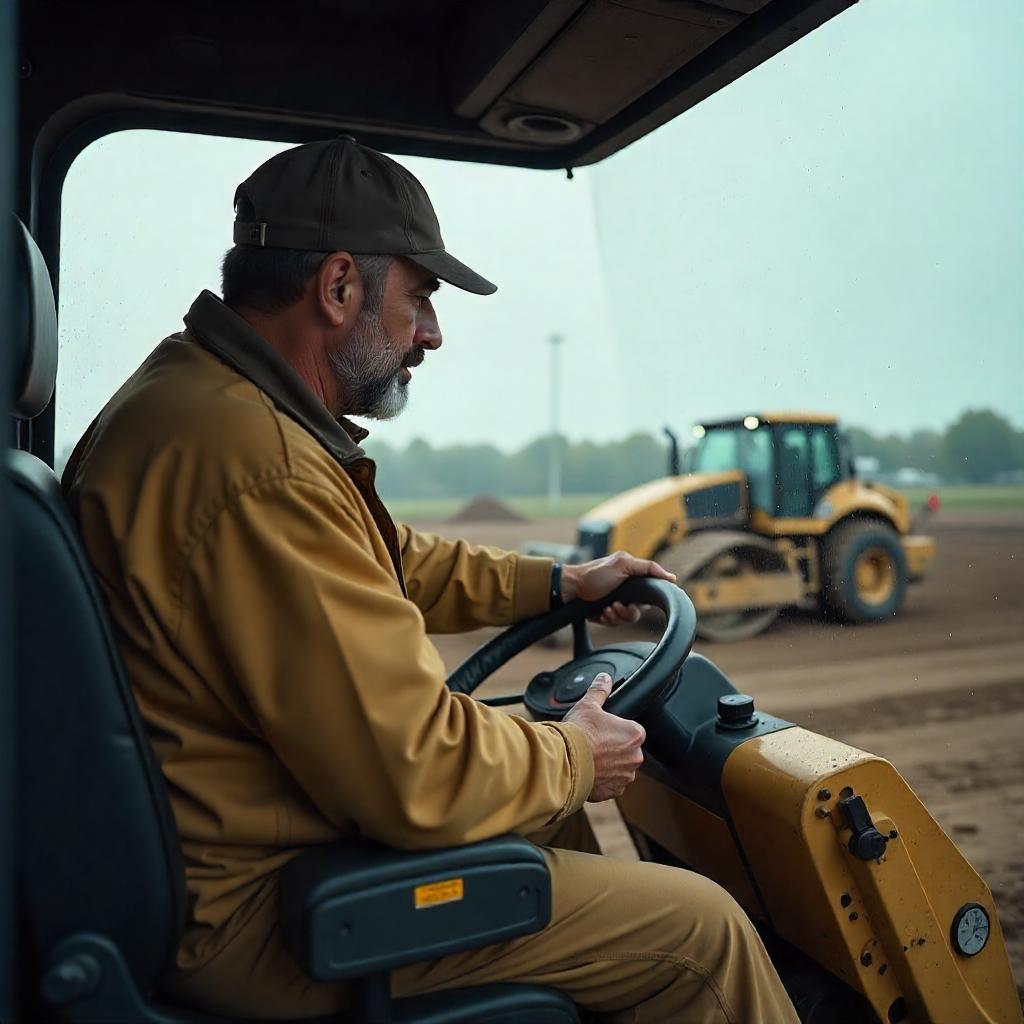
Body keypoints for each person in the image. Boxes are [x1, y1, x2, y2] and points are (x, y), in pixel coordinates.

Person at [63, 139, 799, 1023]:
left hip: (242, 855)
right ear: (338, 288)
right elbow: (415, 773)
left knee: (536, 814)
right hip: (261, 912)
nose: (432, 333)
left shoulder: (206, 405)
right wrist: (577, 753)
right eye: (419, 299)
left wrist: (561, 584)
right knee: (700, 932)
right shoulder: (260, 468)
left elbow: (385, 561)